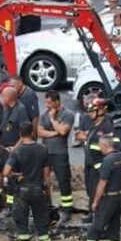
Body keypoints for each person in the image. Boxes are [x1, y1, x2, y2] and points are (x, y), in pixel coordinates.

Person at [70, 136, 121, 241]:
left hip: (108, 198)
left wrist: (95, 202)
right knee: (114, 228)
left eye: (100, 146)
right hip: (120, 197)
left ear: (105, 146)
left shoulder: (107, 161)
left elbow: (102, 184)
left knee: (95, 228)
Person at [3, 122, 54, 241]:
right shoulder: (43, 149)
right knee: (42, 227)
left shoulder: (17, 152)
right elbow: (47, 176)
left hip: (23, 192)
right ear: (32, 133)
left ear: (20, 134)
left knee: (22, 226)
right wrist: (48, 194)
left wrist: (16, 175)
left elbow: (6, 172)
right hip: (38, 191)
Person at [37, 91, 75, 224]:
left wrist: (53, 120)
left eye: (49, 103)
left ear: (57, 101)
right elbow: (39, 132)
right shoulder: (44, 115)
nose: (47, 106)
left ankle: (67, 208)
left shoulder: (68, 114)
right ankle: (48, 206)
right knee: (44, 181)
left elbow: (64, 131)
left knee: (63, 180)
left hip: (60, 153)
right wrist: (55, 132)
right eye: (46, 102)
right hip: (45, 152)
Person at [75, 98, 115, 220]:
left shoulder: (106, 125)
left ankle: (98, 216)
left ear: (101, 110)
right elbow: (78, 135)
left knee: (98, 190)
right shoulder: (95, 125)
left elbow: (108, 146)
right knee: (90, 189)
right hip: (89, 162)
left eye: (93, 111)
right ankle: (92, 213)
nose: (90, 114)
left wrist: (86, 137)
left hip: (99, 166)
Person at [0, 86, 30, 162]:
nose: (1, 99)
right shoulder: (6, 108)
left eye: (2, 96)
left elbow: (25, 133)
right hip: (2, 147)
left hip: (13, 149)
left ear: (8, 98)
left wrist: (15, 148)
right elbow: (3, 126)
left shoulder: (21, 110)